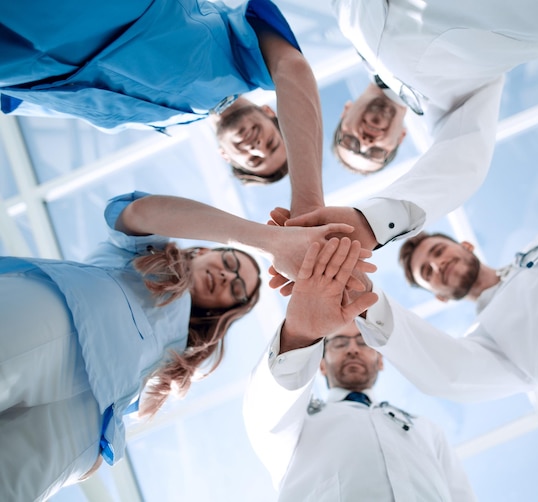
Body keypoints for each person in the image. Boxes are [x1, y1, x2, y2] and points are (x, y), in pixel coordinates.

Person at [0, 191, 360, 502]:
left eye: (235, 290)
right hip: (65, 319)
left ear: (224, 312)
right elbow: (136, 212)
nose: (227, 277)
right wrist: (267, 241)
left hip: (87, 421)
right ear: (204, 249)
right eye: (230, 262)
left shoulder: (181, 355)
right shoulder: (137, 257)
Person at [282, 0, 538, 248]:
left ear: (345, 111)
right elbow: (463, 162)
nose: (366, 140)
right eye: (374, 152)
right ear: (399, 139)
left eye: (351, 141)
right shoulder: (454, 105)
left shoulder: (355, 26)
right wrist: (371, 223)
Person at [352, 202, 538, 449]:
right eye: (427, 272)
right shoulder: (490, 340)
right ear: (441, 296)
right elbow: (449, 372)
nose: (437, 264)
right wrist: (363, 295)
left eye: (438, 251)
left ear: (466, 246)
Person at [0, 0, 323, 204]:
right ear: (269, 112)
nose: (256, 146)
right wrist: (308, 200)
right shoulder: (249, 62)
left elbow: (50, 104)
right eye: (270, 141)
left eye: (253, 159)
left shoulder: (157, 123)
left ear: (225, 156)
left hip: (19, 65)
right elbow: (292, 69)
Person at [244, 237, 476, 501]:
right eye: (340, 342)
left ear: (380, 360)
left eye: (362, 342)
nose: (353, 349)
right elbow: (265, 409)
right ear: (321, 363)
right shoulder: (298, 421)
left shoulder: (426, 429)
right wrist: (299, 334)